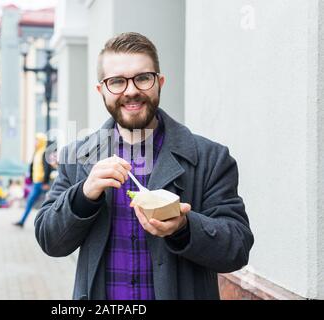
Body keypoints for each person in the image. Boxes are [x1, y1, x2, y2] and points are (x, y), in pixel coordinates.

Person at [34, 32, 254, 300]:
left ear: (159, 82)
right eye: (116, 81)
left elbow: (238, 249)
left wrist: (184, 227)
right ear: (101, 90)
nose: (131, 90)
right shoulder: (77, 158)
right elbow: (50, 241)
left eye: (143, 78)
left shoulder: (211, 158)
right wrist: (83, 195)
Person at [14, 133, 52, 227]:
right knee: (38, 202)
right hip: (36, 182)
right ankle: (23, 221)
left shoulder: (44, 153)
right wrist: (30, 178)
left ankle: (25, 221)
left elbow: (47, 168)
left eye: (37, 140)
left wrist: (45, 182)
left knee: (43, 202)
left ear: (41, 141)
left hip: (41, 183)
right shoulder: (37, 152)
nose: (35, 142)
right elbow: (32, 166)